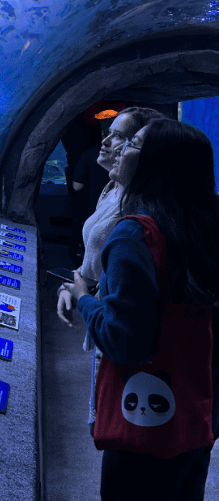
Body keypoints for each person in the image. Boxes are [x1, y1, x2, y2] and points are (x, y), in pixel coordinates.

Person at [63, 119, 219, 501]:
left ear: (155, 162)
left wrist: (84, 298)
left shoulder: (135, 234)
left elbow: (123, 340)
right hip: (198, 407)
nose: (119, 148)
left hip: (145, 415)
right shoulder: (206, 223)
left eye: (132, 142)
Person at [56, 107, 167, 435]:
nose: (105, 141)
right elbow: (96, 262)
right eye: (109, 133)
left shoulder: (138, 211)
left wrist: (84, 298)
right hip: (103, 316)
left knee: (120, 423)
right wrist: (71, 286)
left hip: (116, 322)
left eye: (120, 137)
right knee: (105, 412)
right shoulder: (111, 189)